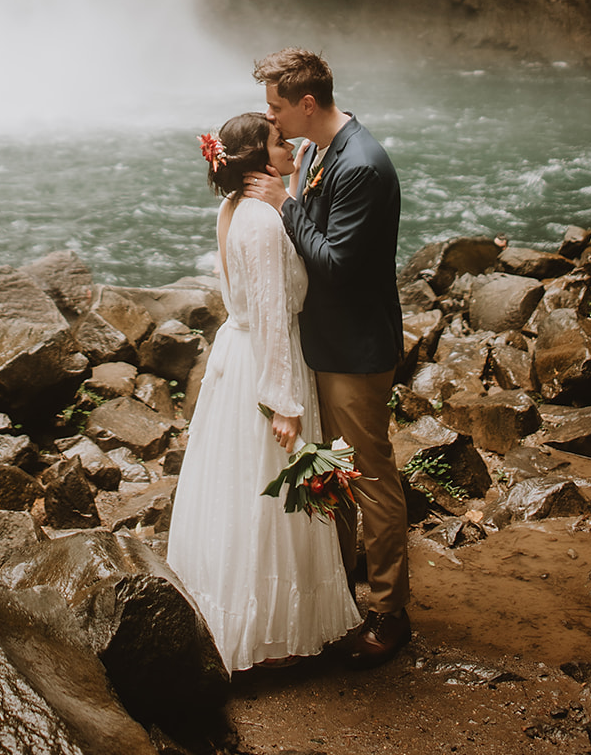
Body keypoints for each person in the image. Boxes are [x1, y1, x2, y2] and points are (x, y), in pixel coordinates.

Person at [167, 112, 360, 673]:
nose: (291, 143)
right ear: (257, 161)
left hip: (236, 353)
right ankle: (272, 635)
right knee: (269, 497)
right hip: (266, 361)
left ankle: (234, 614)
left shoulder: (233, 209)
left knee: (235, 487)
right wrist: (285, 404)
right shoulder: (262, 222)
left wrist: (291, 188)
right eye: (280, 141)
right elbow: (275, 314)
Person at [244, 48, 411, 667]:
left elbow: (338, 264)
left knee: (370, 476)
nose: (271, 118)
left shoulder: (362, 165)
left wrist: (282, 207)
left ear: (306, 105)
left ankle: (392, 613)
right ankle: (342, 591)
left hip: (357, 350)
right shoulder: (316, 153)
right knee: (333, 474)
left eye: (276, 106)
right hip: (327, 344)